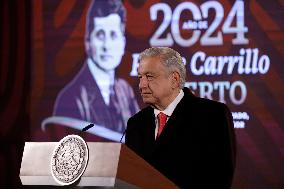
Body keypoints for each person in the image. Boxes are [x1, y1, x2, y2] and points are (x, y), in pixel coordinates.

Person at [125, 47, 236, 188]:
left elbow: (220, 178)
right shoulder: (136, 123)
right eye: (140, 77)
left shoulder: (213, 115)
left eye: (150, 77)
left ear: (174, 79)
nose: (142, 85)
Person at [43, 0, 139, 141]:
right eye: (100, 35)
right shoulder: (71, 98)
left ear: (123, 43)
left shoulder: (125, 91)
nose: (106, 45)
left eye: (113, 35)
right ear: (87, 42)